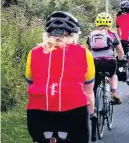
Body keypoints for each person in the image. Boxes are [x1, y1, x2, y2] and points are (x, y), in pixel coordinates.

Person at [25, 11, 95, 143]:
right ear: (74, 34)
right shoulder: (84, 53)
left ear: (47, 34)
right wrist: (91, 111)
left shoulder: (33, 52)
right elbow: (89, 91)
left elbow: (30, 84)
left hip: (37, 112)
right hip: (75, 111)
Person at [86, 12, 124, 105]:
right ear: (110, 23)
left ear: (97, 23)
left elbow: (86, 51)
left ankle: (93, 108)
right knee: (113, 74)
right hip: (109, 62)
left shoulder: (91, 34)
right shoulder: (113, 34)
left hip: (95, 63)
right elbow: (120, 52)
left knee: (93, 84)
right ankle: (114, 92)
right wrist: (120, 60)